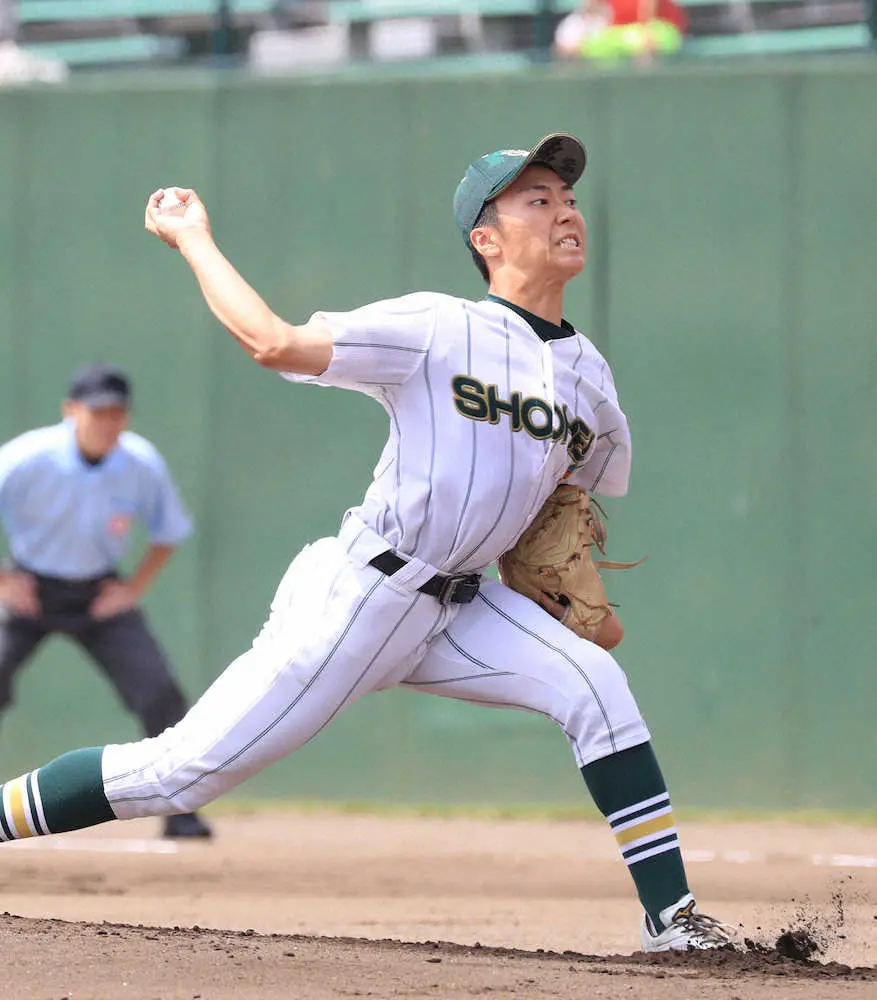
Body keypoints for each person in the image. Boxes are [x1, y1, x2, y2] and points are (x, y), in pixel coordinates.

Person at [0, 134, 731, 952]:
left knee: (597, 687)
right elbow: (273, 341)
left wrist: (571, 591)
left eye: (566, 198)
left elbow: (559, 508)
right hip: (362, 594)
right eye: (537, 199)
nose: (565, 211)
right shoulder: (436, 327)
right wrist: (193, 237)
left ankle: (672, 919)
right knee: (178, 774)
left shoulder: (587, 376)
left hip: (462, 605)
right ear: (485, 239)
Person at [0, 364, 212, 840]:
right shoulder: (29, 456)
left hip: (99, 594)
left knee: (160, 691)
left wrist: (132, 590)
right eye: (97, 412)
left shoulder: (140, 463)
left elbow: (169, 531)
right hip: (29, 589)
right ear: (70, 411)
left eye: (117, 413)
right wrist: (3, 583)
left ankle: (183, 813)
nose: (108, 422)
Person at [554, 0, 687, 62]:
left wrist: (647, 35)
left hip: (660, 28)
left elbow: (648, 9)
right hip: (620, 32)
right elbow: (590, 8)